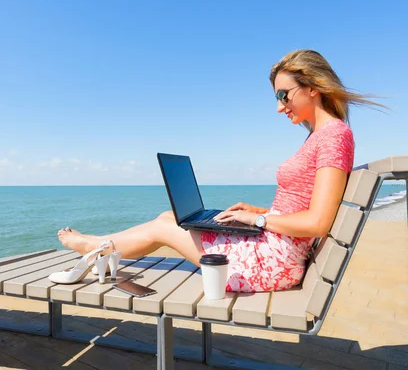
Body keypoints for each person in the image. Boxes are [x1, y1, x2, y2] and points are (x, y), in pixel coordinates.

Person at [57, 49, 383, 292]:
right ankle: (100, 243)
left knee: (165, 229)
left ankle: (94, 247)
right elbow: (305, 205)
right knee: (169, 216)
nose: (279, 106)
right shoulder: (322, 135)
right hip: (274, 244)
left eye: (284, 95)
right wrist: (258, 211)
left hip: (272, 262)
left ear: (312, 87)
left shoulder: (334, 135)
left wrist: (257, 220)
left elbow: (319, 222)